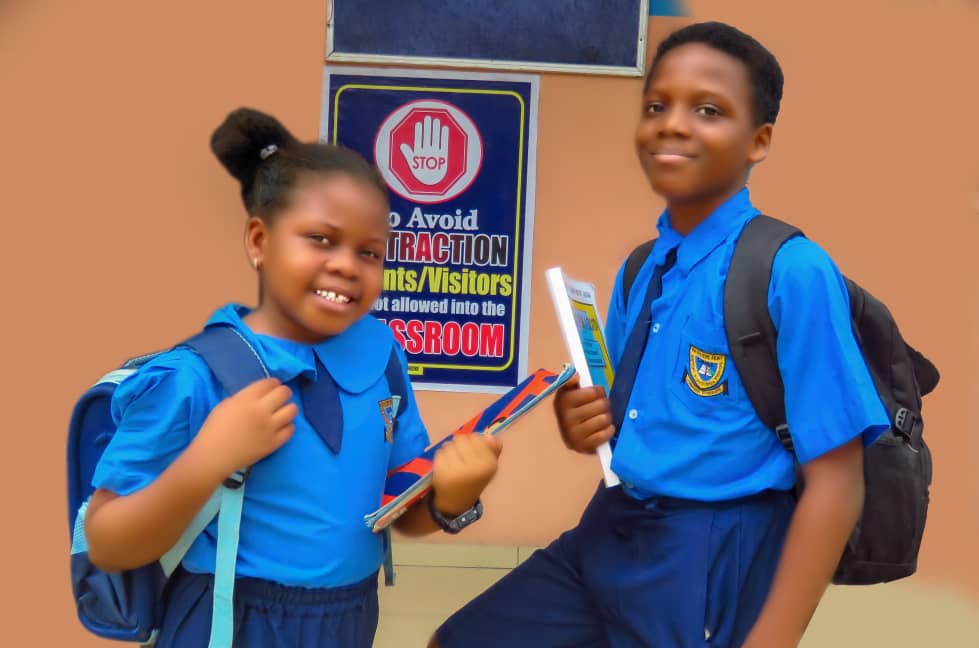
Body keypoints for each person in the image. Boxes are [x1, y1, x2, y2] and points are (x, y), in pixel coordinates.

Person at [433, 21, 888, 648]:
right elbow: (630, 413)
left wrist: (773, 638)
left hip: (708, 552)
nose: (672, 124)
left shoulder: (791, 271)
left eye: (708, 109)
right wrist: (582, 425)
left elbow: (838, 483)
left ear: (758, 141)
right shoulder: (642, 267)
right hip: (611, 526)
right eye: (656, 105)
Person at [83, 107, 502, 647]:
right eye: (322, 240)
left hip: (349, 618)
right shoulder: (196, 375)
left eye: (369, 252)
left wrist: (452, 498)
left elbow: (398, 513)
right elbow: (108, 542)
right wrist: (209, 458)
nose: (347, 265)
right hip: (229, 621)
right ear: (259, 241)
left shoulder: (382, 357)